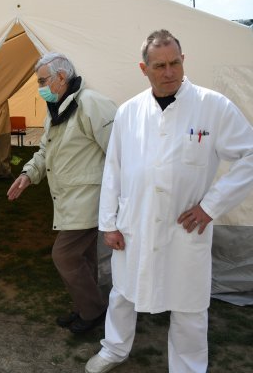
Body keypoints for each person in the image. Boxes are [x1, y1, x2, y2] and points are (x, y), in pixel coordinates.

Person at [86, 29, 253, 373]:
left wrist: (211, 206)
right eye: (159, 65)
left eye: (175, 62)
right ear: (143, 68)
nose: (170, 71)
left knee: (190, 304)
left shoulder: (213, 106)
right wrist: (109, 223)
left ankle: (189, 367)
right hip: (136, 222)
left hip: (185, 227)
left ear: (183, 60)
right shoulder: (130, 112)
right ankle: (114, 349)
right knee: (123, 292)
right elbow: (113, 169)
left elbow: (249, 155)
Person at [7, 52, 117, 334]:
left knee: (64, 256)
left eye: (42, 80)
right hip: (70, 199)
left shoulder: (91, 104)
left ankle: (93, 311)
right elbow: (45, 150)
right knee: (84, 258)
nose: (40, 87)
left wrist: (119, 200)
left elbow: (119, 153)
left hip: (88, 199)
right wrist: (27, 174)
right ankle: (85, 308)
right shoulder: (55, 110)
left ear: (61, 77)